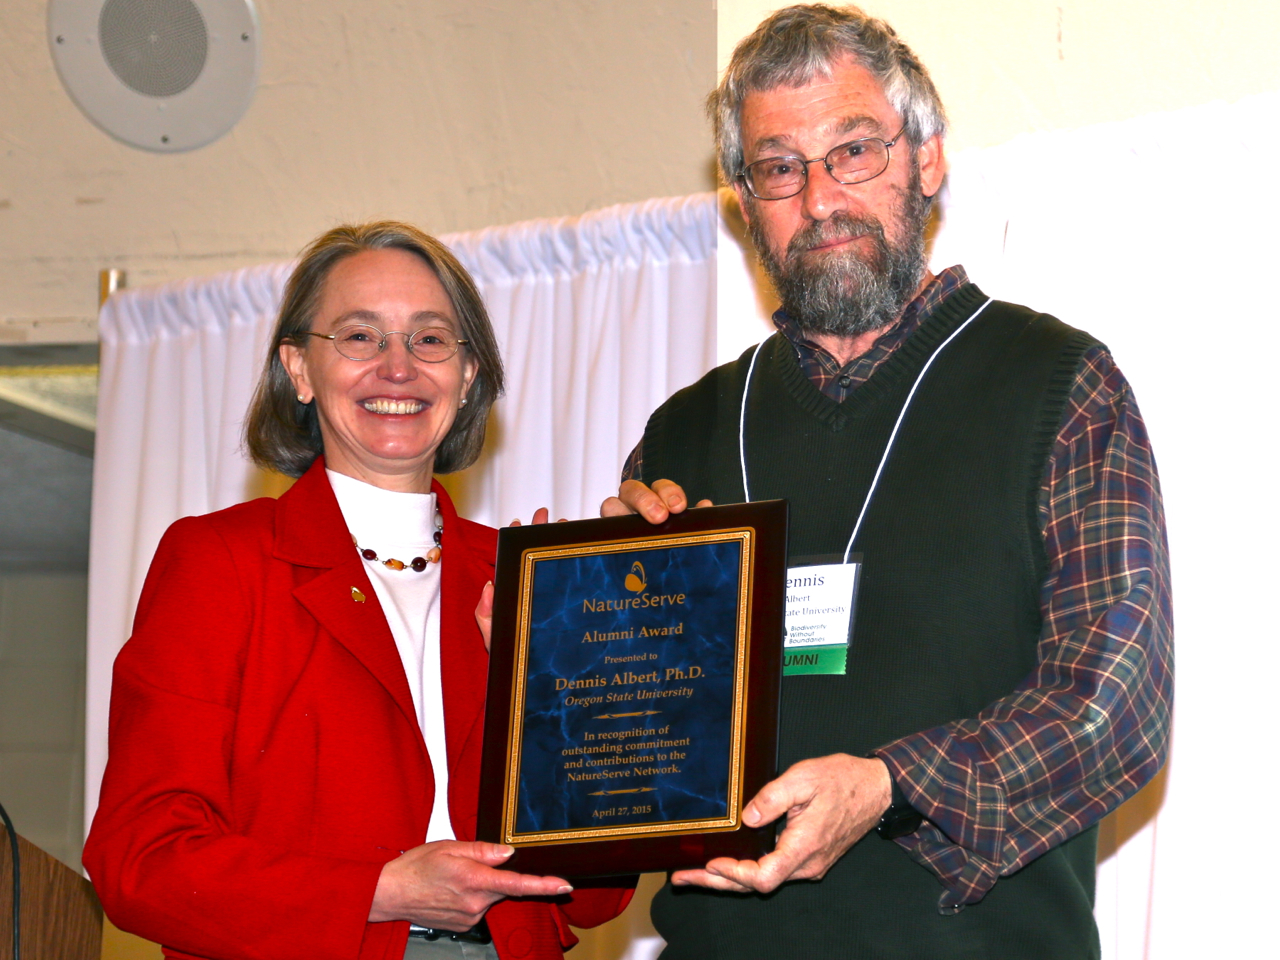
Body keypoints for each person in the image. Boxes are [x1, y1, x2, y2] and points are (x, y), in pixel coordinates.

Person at [602, 6, 1172, 958]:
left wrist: (892, 786)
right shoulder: (685, 431)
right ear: (746, 201)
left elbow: (1114, 705)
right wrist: (580, 637)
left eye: (854, 151)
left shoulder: (1058, 384)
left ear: (927, 161)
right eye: (779, 166)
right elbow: (636, 763)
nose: (820, 198)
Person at [84, 221, 629, 960]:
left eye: (431, 339)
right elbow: (138, 859)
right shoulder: (223, 562)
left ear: (468, 377)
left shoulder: (523, 576)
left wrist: (552, 700)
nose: (397, 366)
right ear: (299, 369)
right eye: (359, 336)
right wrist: (380, 891)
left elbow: (597, 892)